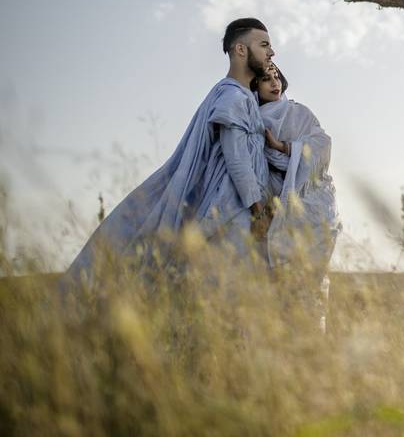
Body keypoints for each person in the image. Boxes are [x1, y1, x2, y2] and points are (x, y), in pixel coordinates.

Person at [63, 18, 276, 289]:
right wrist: (259, 211)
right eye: (264, 44)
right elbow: (237, 159)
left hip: (239, 208)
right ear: (241, 50)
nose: (272, 52)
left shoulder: (246, 97)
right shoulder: (232, 97)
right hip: (231, 210)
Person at [251, 64, 341, 328]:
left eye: (276, 77)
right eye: (265, 79)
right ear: (254, 86)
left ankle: (311, 339)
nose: (274, 83)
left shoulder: (298, 112)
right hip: (276, 201)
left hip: (313, 200)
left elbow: (323, 143)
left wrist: (283, 146)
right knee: (280, 281)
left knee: (311, 279)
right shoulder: (254, 118)